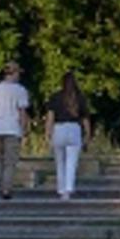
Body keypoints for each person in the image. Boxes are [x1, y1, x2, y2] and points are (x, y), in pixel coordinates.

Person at [0, 60, 31, 198]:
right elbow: (22, 112)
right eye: (18, 73)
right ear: (15, 73)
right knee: (10, 162)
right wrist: (23, 130)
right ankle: (6, 189)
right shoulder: (20, 90)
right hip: (12, 129)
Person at [46, 70, 90, 201]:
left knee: (60, 162)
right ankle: (69, 189)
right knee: (72, 161)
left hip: (59, 128)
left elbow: (50, 117)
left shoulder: (55, 97)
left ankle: (61, 189)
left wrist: (48, 133)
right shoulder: (80, 98)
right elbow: (86, 118)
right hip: (74, 129)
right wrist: (88, 134)